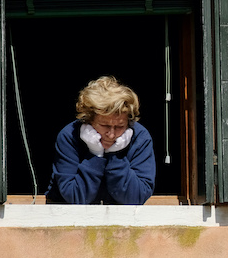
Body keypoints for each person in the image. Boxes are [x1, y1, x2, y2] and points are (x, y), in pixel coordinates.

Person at [45, 76, 156, 205]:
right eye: (105, 126)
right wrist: (95, 154)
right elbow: (75, 197)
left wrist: (114, 155)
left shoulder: (140, 137)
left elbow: (136, 198)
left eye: (120, 126)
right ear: (89, 120)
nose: (111, 134)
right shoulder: (69, 136)